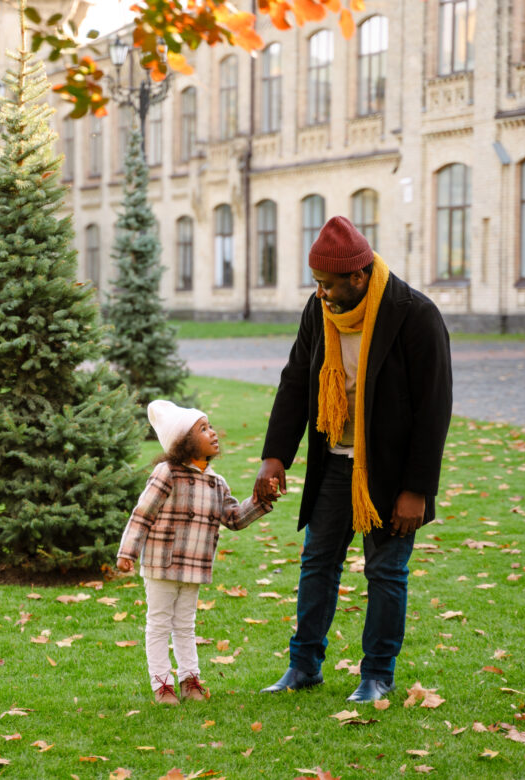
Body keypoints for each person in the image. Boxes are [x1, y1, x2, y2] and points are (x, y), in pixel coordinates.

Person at [254, 216, 452, 703]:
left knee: (386, 571)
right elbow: (296, 381)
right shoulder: (319, 311)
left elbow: (434, 409)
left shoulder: (413, 315)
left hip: (390, 471)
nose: (320, 293)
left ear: (358, 278)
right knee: (317, 563)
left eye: (328, 284)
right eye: (317, 284)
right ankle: (304, 666)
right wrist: (275, 456)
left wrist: (416, 489)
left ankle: (378, 674)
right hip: (333, 462)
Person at [118, 400, 275, 705]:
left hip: (194, 567)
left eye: (211, 426)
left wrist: (260, 501)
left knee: (186, 625)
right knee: (160, 622)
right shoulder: (166, 473)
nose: (213, 433)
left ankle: (190, 680)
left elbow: (233, 518)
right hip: (162, 565)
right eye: (203, 429)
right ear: (184, 443)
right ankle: (162, 685)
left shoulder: (217, 482)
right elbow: (143, 514)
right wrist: (128, 552)